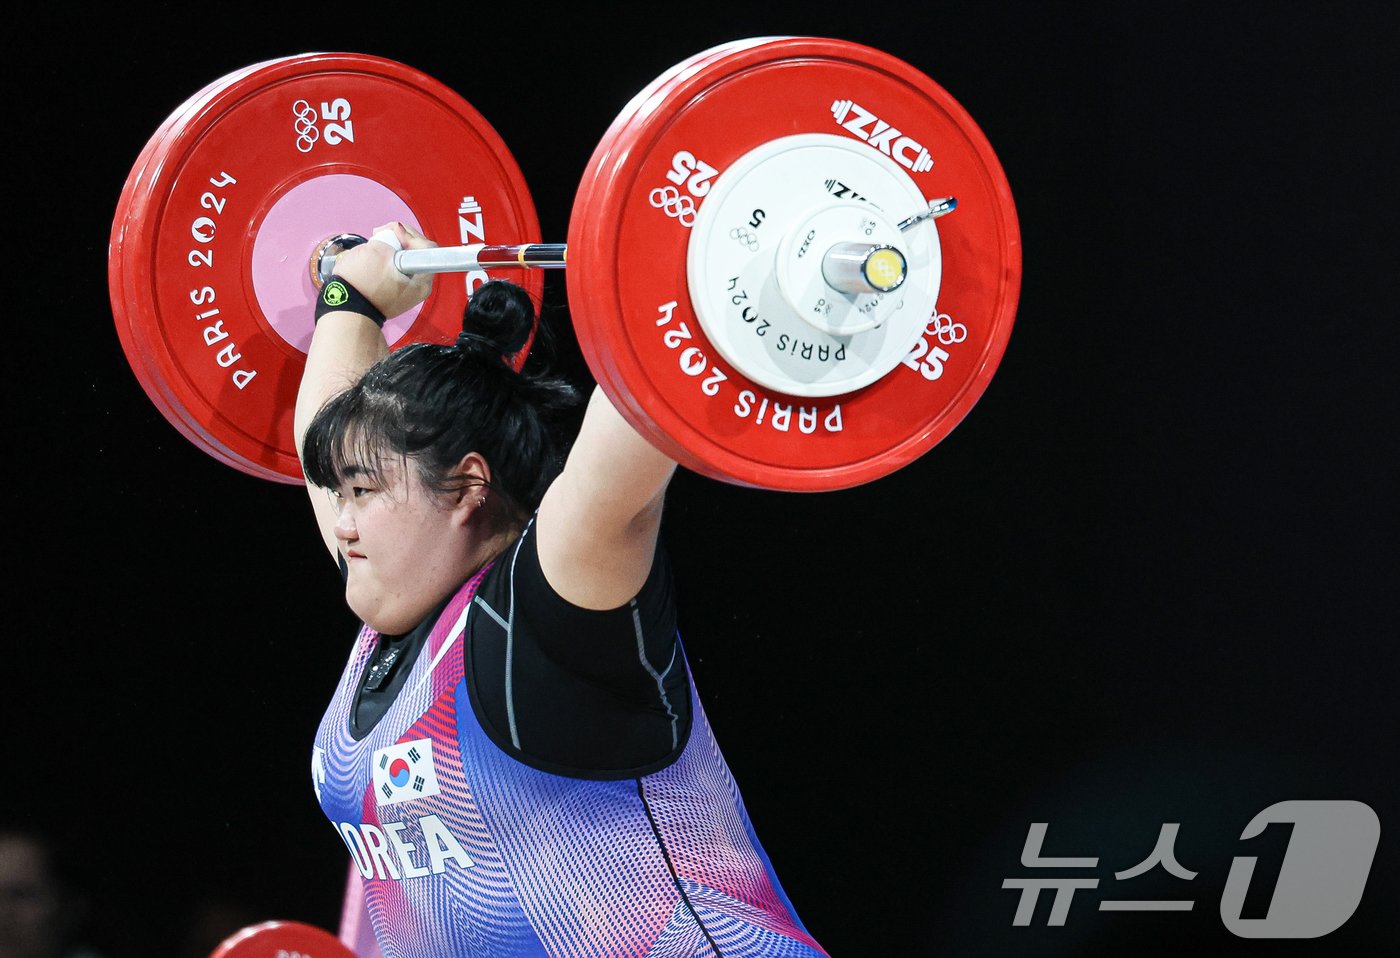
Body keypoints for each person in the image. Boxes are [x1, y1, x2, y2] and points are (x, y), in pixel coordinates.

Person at [294, 222, 829, 957]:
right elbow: (324, 446)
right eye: (341, 493)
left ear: (469, 488)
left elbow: (636, 419)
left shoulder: (550, 610)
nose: (341, 520)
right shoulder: (393, 599)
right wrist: (348, 301)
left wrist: (725, 271)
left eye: (361, 491)